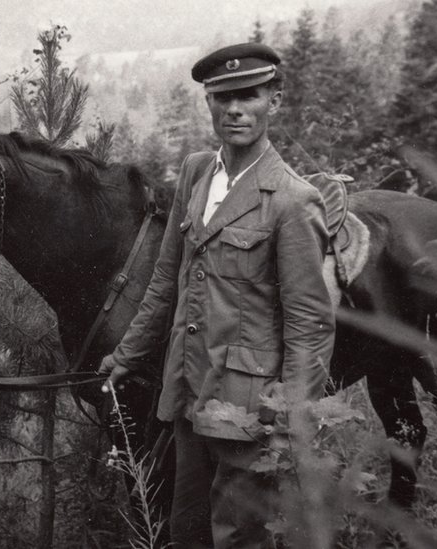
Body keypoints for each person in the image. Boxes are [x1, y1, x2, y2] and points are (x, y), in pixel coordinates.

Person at [99, 43, 335, 549]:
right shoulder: (196, 172)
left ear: (274, 99)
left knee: (239, 538)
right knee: (187, 529)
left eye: (249, 95)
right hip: (188, 391)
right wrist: (128, 354)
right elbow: (167, 277)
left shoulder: (292, 200)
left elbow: (310, 325)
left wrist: (290, 422)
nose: (234, 109)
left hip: (250, 413)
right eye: (221, 97)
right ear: (208, 101)